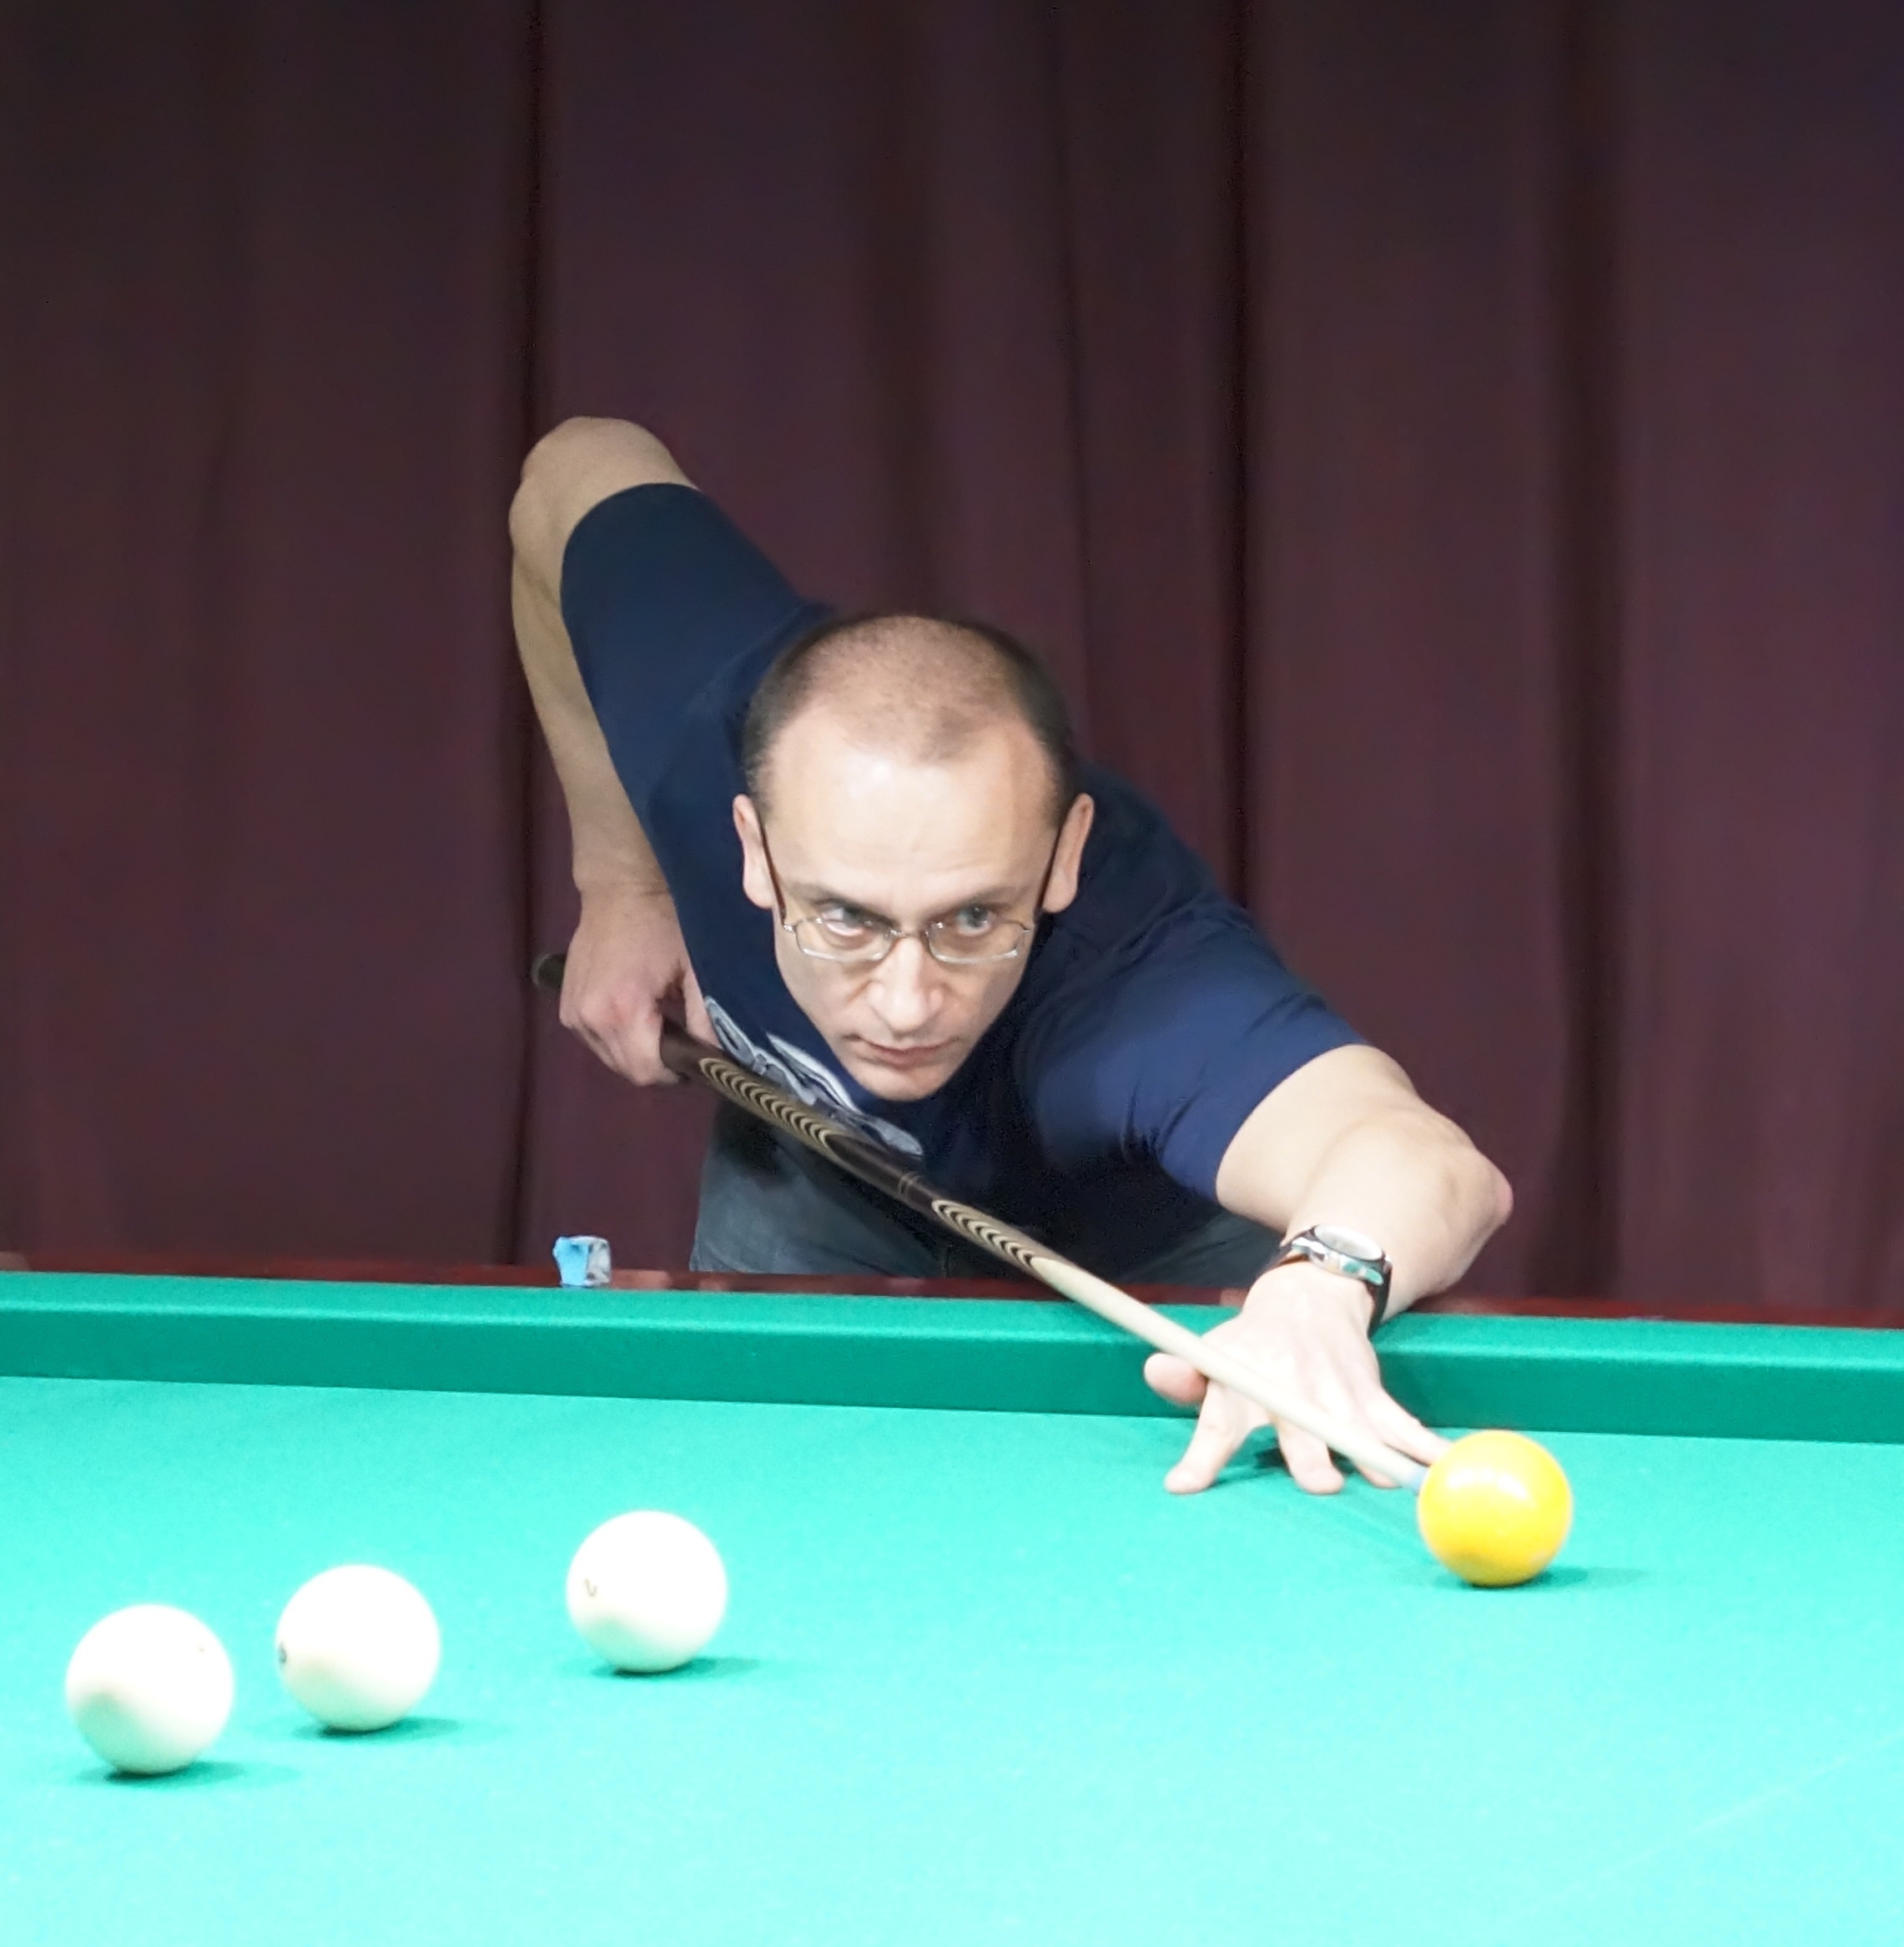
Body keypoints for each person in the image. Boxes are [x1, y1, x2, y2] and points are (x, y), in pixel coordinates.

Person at [511, 416, 1515, 1496]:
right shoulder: (694, 721)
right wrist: (620, 881)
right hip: (815, 1188)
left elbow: (1424, 1159)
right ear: (751, 846)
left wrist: (1316, 1291)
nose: (906, 1004)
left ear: (1063, 855)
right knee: (766, 1502)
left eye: (972, 920)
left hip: (1134, 1257)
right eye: (845, 918)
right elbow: (569, 473)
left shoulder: (1135, 979)